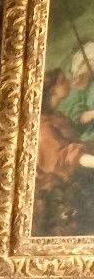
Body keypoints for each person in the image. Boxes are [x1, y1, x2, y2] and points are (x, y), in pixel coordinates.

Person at [35, 66, 94, 235]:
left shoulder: (57, 116)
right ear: (53, 90)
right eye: (63, 81)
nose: (68, 82)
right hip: (58, 192)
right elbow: (67, 155)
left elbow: (75, 137)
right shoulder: (43, 127)